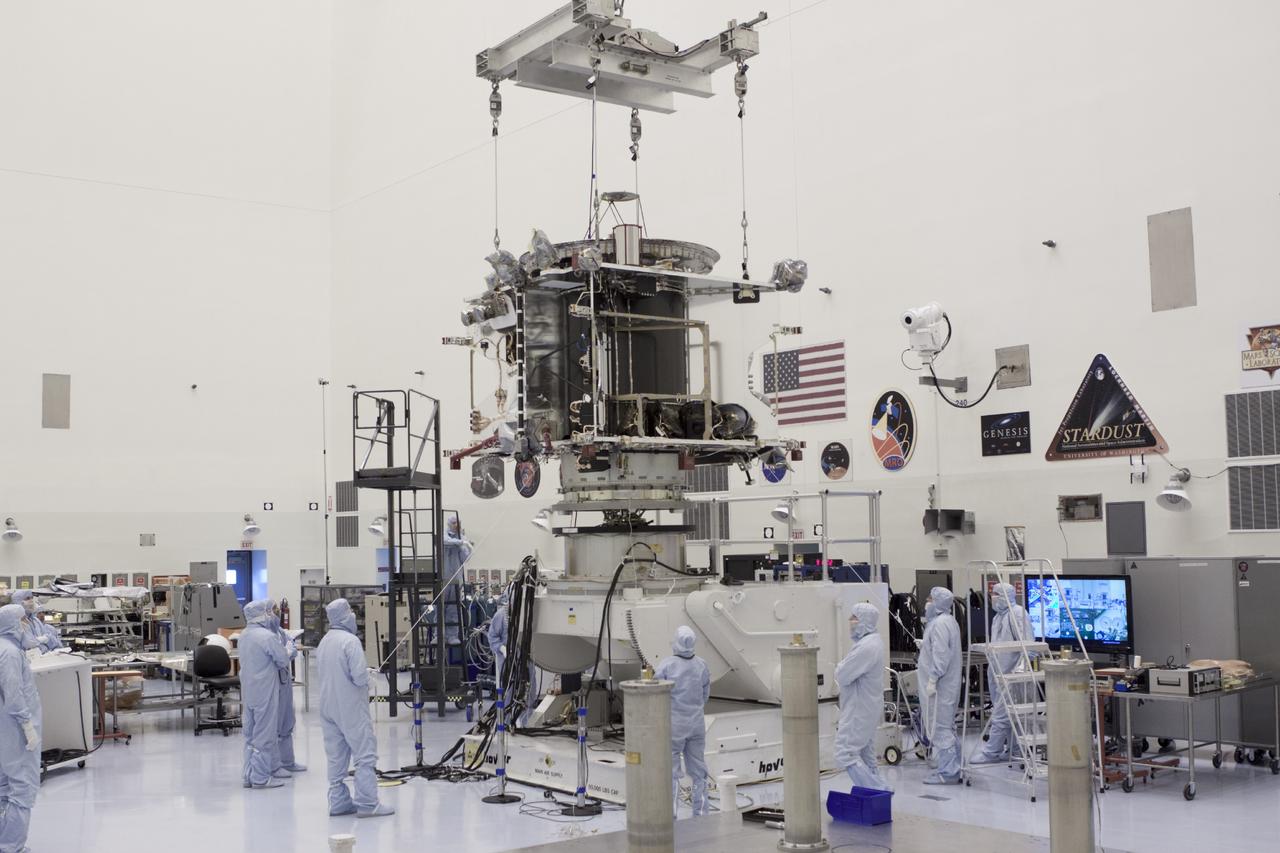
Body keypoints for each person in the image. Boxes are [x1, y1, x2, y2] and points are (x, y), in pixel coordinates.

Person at [318, 598, 393, 818]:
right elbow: (359, 678)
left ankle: (339, 802)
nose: (352, 614)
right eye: (350, 610)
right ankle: (368, 804)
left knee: (336, 756)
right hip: (350, 706)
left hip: (328, 707)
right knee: (364, 754)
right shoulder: (350, 641)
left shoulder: (325, 641)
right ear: (343, 615)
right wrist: (370, 677)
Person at [973, 582, 1035, 764]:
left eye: (997, 594)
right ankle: (1014, 750)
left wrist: (1018, 672)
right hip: (997, 672)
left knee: (1000, 715)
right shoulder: (997, 618)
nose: (993, 598)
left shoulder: (1018, 614)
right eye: (993, 594)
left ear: (1007, 596)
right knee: (1008, 715)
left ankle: (991, 752)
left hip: (1011, 675)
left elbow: (1029, 647)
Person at [654, 626, 711, 817]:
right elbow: (705, 695)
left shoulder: (667, 665)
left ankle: (670, 816)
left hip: (674, 725)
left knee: (671, 772)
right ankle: (701, 814)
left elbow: (655, 693)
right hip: (696, 724)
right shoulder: (701, 664)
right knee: (699, 771)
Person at [0, 603, 41, 853]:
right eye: (24, 620)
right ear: (13, 624)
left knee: (5, 786)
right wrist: (27, 725)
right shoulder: (11, 654)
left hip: (5, 729)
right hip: (15, 729)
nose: (27, 624)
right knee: (22, 787)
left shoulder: (6, 648)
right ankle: (11, 846)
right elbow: (14, 694)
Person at [835, 602, 888, 790]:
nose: (850, 621)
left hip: (859, 708)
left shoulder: (867, 646)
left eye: (854, 618)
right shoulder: (872, 642)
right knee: (866, 752)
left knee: (846, 752)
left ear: (865, 621)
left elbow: (842, 675)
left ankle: (877, 790)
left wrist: (839, 668)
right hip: (867, 706)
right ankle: (879, 787)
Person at [240, 599, 291, 788]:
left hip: (249, 690)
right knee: (264, 734)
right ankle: (260, 777)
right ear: (263, 614)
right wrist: (288, 650)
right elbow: (282, 660)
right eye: (270, 611)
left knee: (250, 734)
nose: (272, 615)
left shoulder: (244, 635)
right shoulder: (267, 637)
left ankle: (249, 775)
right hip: (265, 691)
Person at [918, 587, 962, 784]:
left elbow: (942, 657)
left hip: (940, 686)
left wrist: (933, 679)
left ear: (937, 602)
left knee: (939, 727)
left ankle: (949, 772)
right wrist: (925, 645)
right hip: (948, 685)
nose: (927, 602)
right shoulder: (946, 621)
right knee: (946, 725)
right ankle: (952, 766)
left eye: (930, 598)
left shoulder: (940, 624)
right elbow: (942, 648)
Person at [486, 594, 537, 725]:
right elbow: (492, 637)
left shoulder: (528, 614)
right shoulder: (501, 615)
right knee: (508, 694)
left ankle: (527, 724)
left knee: (529, 692)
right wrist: (501, 648)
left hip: (526, 659)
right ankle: (506, 724)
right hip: (507, 661)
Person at [272, 604, 305, 775]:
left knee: (287, 722)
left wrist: (289, 650)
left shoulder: (280, 632)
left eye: (278, 613)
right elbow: (280, 657)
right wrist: (287, 652)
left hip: (284, 681)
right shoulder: (264, 636)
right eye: (274, 613)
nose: (277, 616)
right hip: (271, 684)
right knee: (273, 725)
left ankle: (287, 761)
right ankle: (274, 765)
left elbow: (291, 652)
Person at [440, 516, 473, 645]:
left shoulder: (461, 538)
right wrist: (460, 542)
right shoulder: (444, 535)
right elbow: (444, 541)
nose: (456, 525)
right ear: (449, 524)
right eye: (453, 523)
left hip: (456, 579)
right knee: (440, 608)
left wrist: (465, 546)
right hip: (442, 579)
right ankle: (439, 635)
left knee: (453, 608)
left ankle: (452, 635)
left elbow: (466, 558)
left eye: (457, 523)